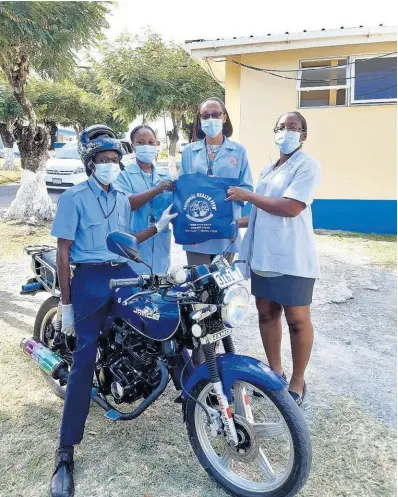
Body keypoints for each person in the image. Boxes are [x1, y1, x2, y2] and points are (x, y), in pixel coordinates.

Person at [49, 124, 177, 497]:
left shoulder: (120, 197)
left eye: (113, 160)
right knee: (84, 356)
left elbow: (127, 239)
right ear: (91, 164)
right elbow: (63, 252)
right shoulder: (73, 198)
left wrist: (157, 227)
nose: (109, 165)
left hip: (123, 270)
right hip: (89, 278)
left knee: (162, 321)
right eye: (102, 160)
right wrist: (66, 304)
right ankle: (65, 450)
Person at [227, 112, 321, 406]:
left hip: (292, 256)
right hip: (263, 256)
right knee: (267, 314)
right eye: (281, 127)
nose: (287, 132)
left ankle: (297, 381)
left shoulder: (307, 166)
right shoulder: (268, 168)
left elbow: (290, 207)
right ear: (274, 132)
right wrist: (229, 223)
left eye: (294, 128)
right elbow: (260, 212)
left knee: (297, 320)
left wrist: (248, 196)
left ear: (303, 136)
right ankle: (275, 372)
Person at [179, 97, 253, 265]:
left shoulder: (238, 151)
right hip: (197, 231)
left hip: (224, 231)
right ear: (200, 119)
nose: (210, 119)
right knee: (200, 286)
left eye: (215, 114)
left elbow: (247, 188)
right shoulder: (189, 151)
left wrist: (236, 193)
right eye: (205, 116)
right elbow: (183, 190)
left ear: (224, 117)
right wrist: (186, 229)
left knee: (223, 286)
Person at [114, 125, 175, 274]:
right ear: (133, 146)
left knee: (160, 291)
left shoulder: (166, 176)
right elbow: (128, 204)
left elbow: (175, 209)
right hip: (135, 245)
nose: (146, 146)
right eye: (141, 143)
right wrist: (156, 190)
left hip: (160, 247)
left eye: (151, 142)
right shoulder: (123, 176)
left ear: (156, 145)